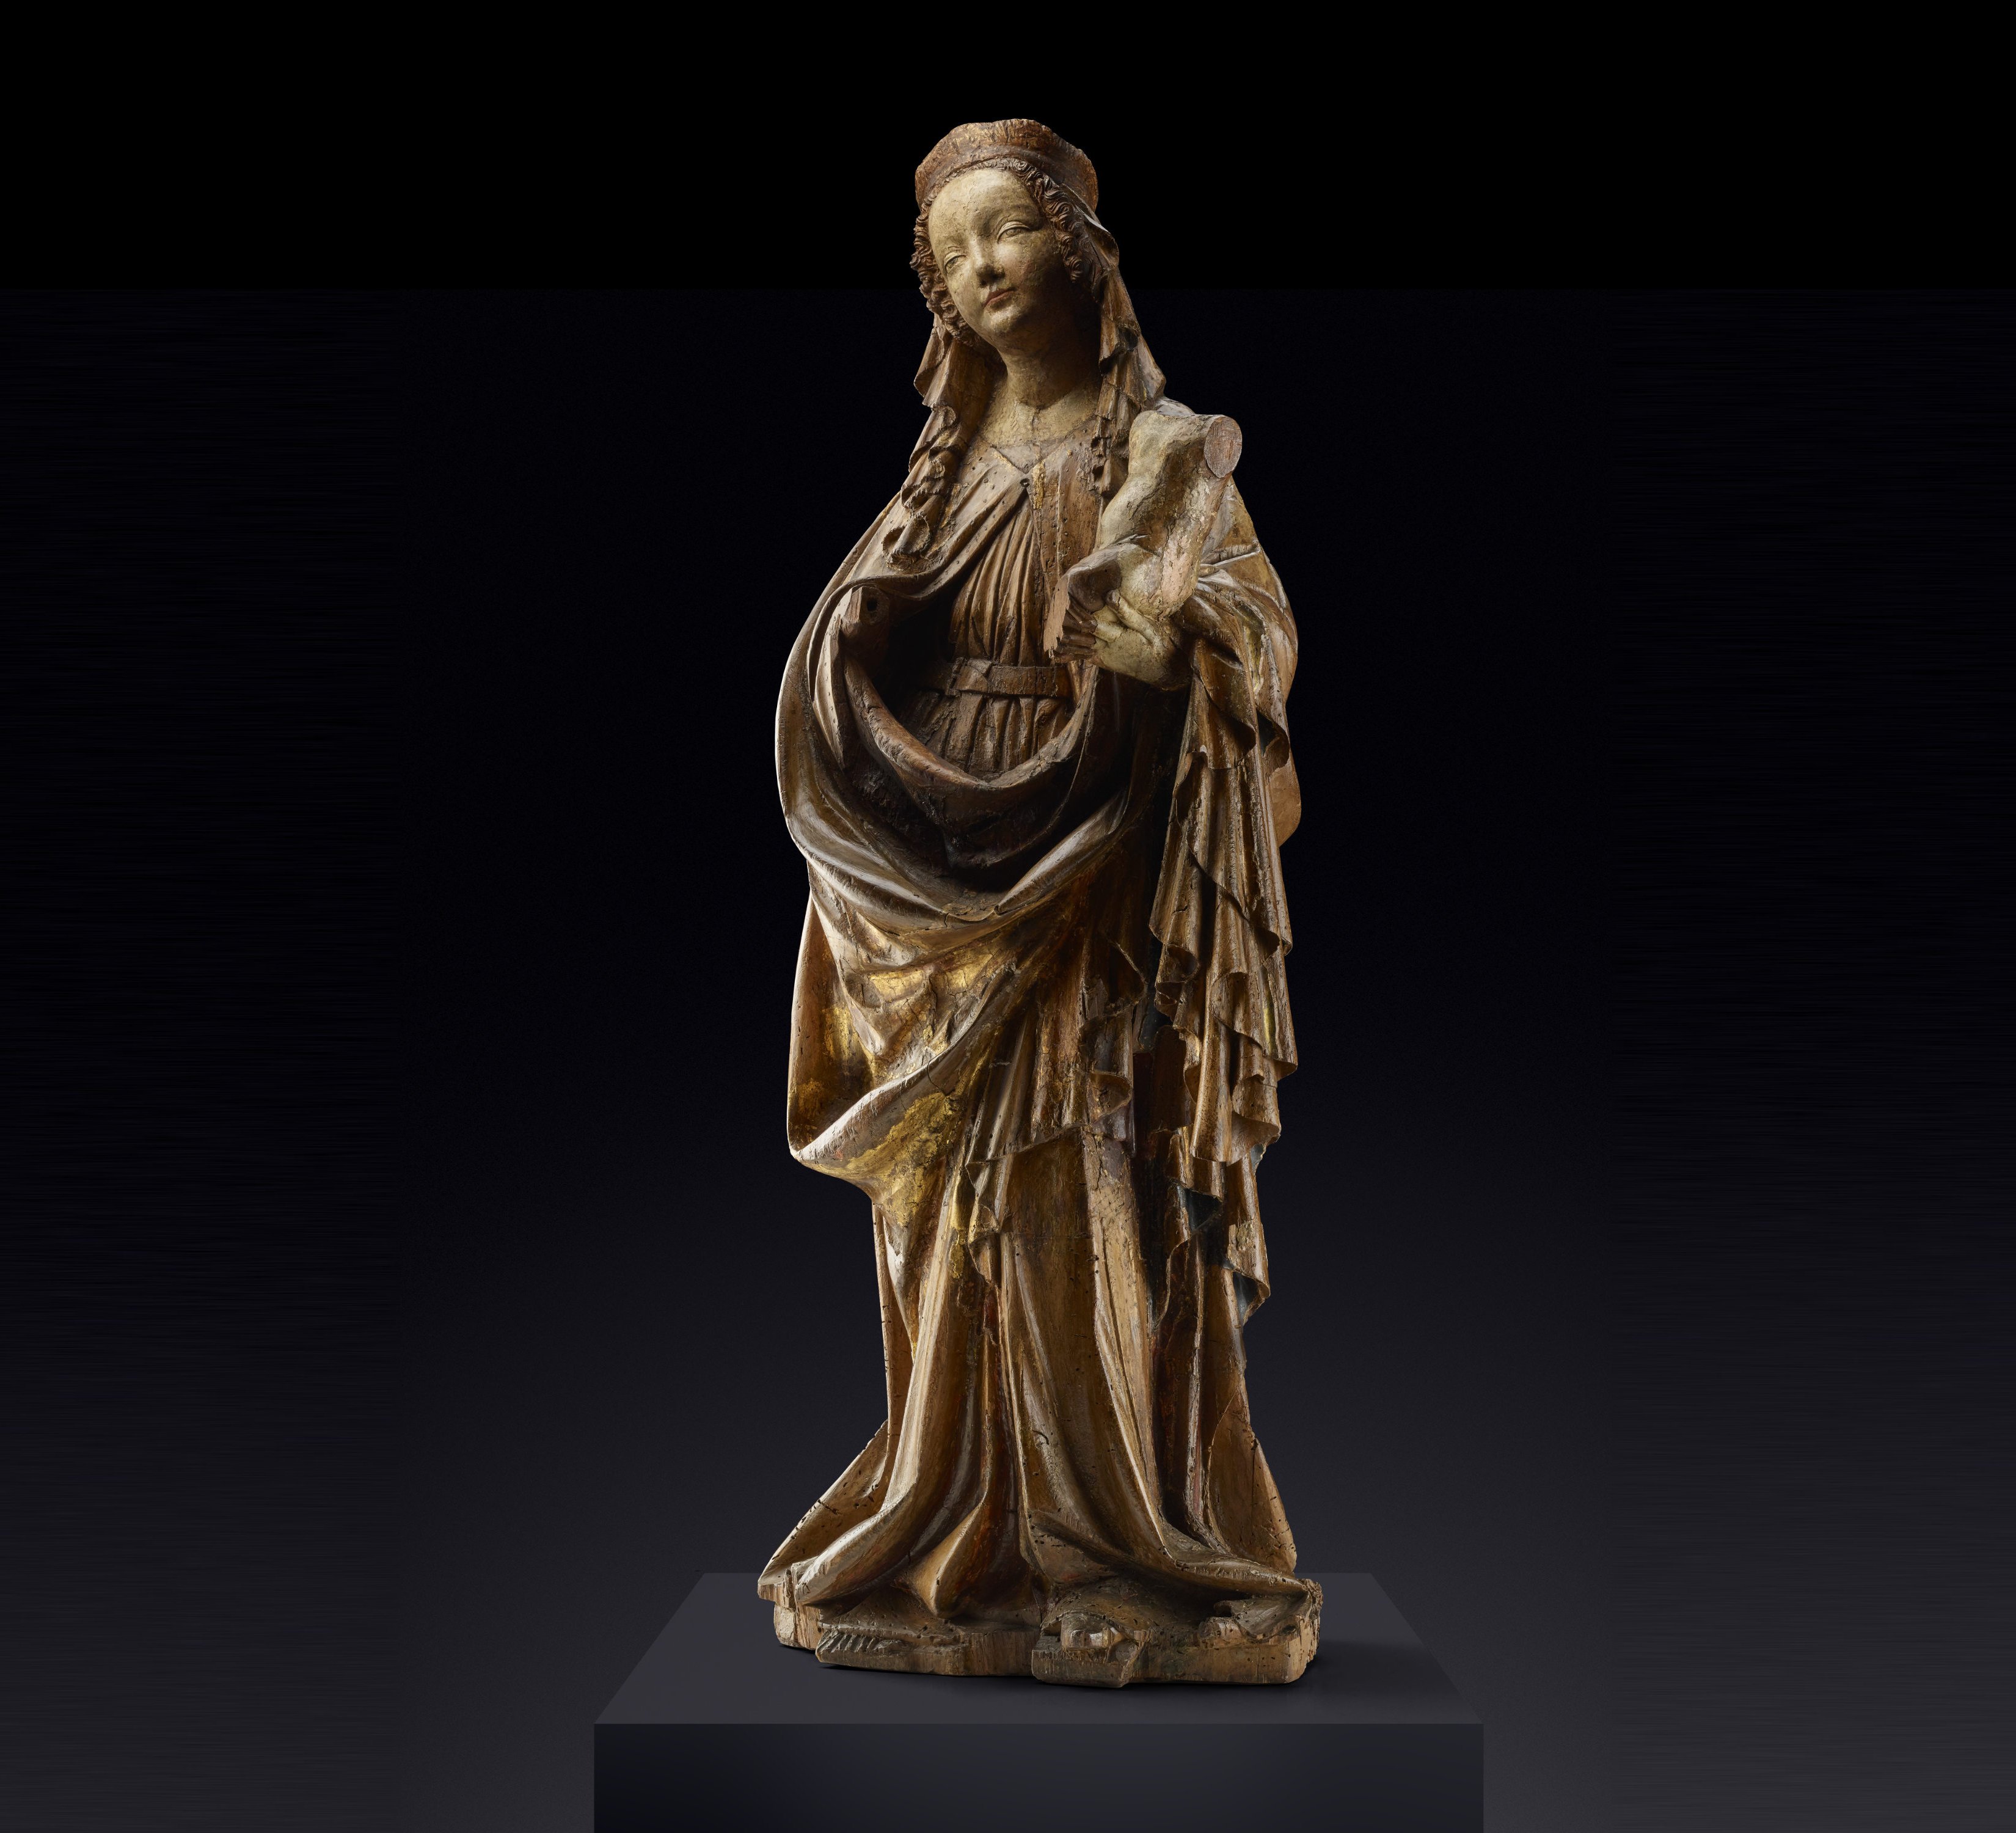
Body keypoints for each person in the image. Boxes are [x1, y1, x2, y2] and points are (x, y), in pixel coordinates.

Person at [763, 119, 1317, 1686]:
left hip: (1094, 860)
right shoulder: (939, 473)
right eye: (949, 256)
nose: (978, 269)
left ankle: (1109, 1545)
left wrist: (1182, 637)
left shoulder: (1164, 453)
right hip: (932, 871)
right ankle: (959, 1521)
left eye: (1004, 232)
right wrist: (858, 640)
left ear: (1080, 250)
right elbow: (858, 644)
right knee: (943, 1217)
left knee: (1076, 1185)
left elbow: (1259, 638)